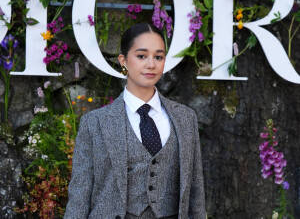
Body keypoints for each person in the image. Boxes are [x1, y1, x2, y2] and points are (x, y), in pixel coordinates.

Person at [64, 23, 206, 219]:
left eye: (158, 56)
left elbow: (196, 192)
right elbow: (79, 196)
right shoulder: (94, 123)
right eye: (141, 56)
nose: (151, 64)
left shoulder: (185, 118)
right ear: (123, 60)